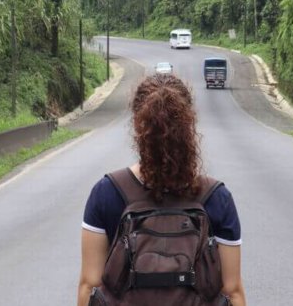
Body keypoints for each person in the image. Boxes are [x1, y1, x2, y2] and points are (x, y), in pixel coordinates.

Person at [77, 73, 247, 306]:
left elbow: (90, 286)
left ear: (137, 126)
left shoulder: (107, 193)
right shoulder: (217, 198)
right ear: (189, 125)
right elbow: (233, 290)